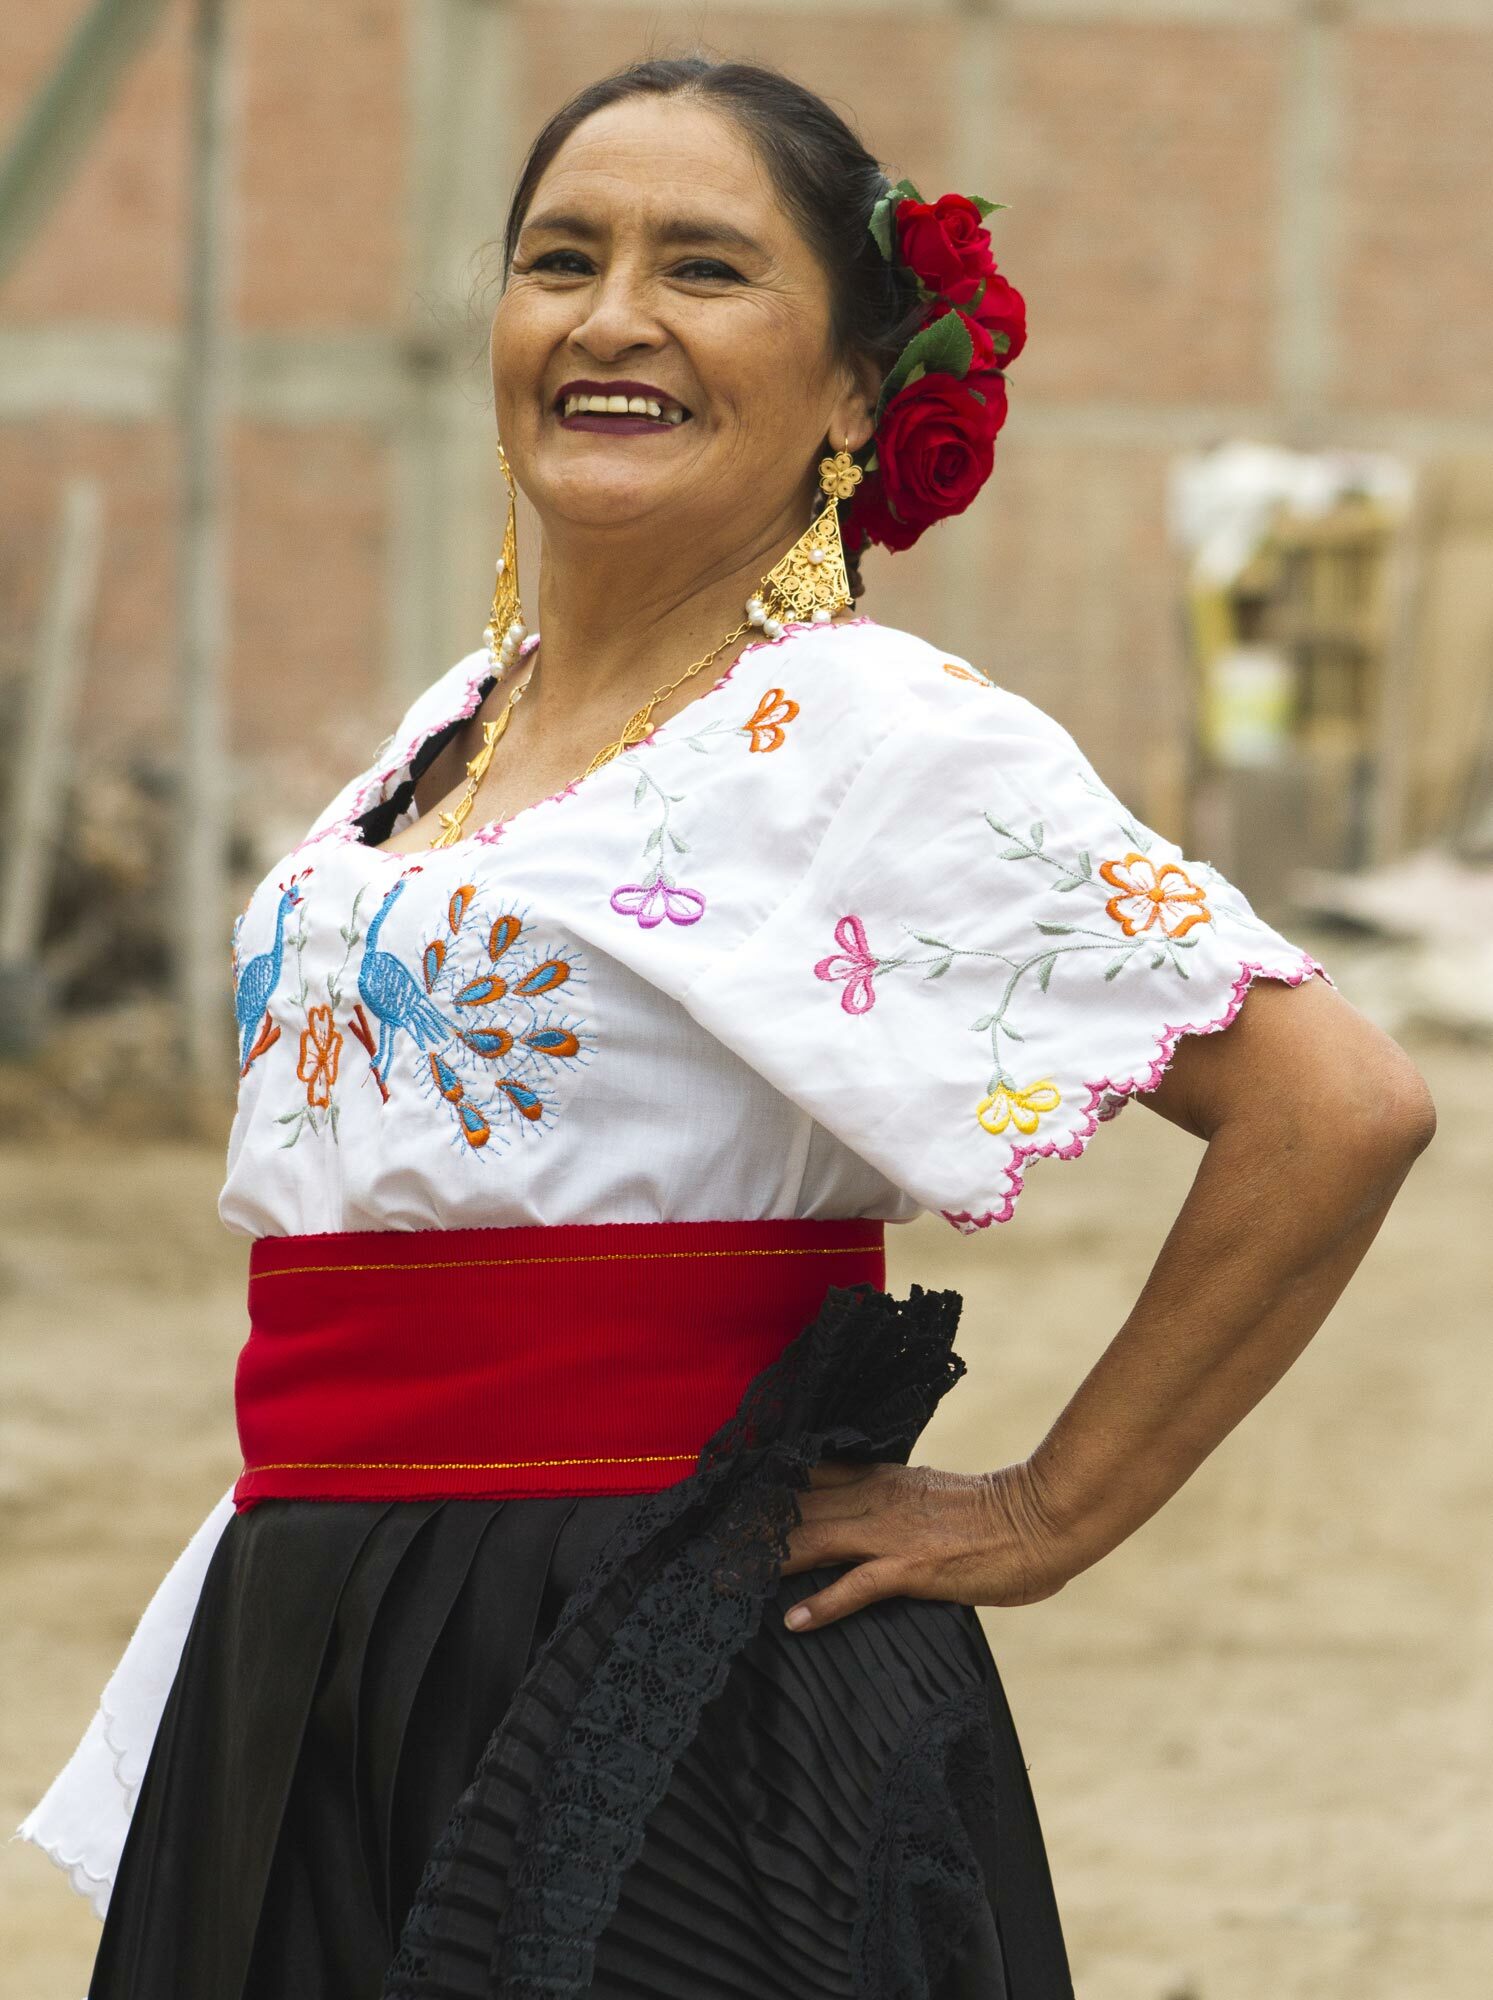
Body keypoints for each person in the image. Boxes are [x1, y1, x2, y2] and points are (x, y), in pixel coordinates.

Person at [17, 54, 1434, 2000]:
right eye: (560, 258)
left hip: (654, 1669)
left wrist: (1045, 1510)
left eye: (705, 268)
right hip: (323, 1617)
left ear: (857, 388)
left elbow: (1336, 1106)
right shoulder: (452, 728)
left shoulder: (870, 737)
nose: (613, 318)